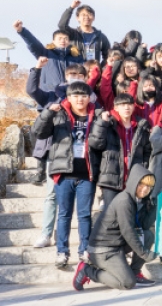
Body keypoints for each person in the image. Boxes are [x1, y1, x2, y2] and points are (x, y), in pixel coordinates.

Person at [32, 82, 98, 269]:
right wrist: (47, 112)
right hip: (63, 172)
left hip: (87, 173)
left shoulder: (97, 115)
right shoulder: (59, 114)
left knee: (85, 215)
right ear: (68, 97)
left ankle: (84, 250)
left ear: (89, 97)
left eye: (83, 95)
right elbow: (38, 132)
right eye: (75, 95)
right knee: (64, 215)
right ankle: (62, 251)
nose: (80, 99)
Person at [72, 165, 158, 291]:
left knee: (148, 235)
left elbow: (143, 226)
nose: (145, 189)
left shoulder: (138, 200)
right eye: (142, 184)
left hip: (117, 244)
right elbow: (128, 231)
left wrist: (154, 208)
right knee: (127, 283)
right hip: (103, 250)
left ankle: (134, 272)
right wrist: (144, 253)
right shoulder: (124, 201)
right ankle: (87, 270)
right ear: (134, 182)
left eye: (149, 186)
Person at [89, 94, 152, 209]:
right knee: (111, 212)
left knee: (128, 214)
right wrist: (102, 123)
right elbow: (95, 144)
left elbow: (147, 150)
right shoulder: (108, 123)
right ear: (116, 107)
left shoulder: (141, 126)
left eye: (129, 104)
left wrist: (143, 166)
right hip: (111, 175)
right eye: (122, 105)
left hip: (133, 176)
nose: (126, 108)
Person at [14, 20, 84, 93]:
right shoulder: (45, 53)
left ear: (69, 42)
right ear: (53, 41)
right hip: (49, 94)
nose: (63, 41)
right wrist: (22, 31)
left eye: (65, 39)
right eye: (59, 38)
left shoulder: (76, 58)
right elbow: (33, 43)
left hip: (70, 95)